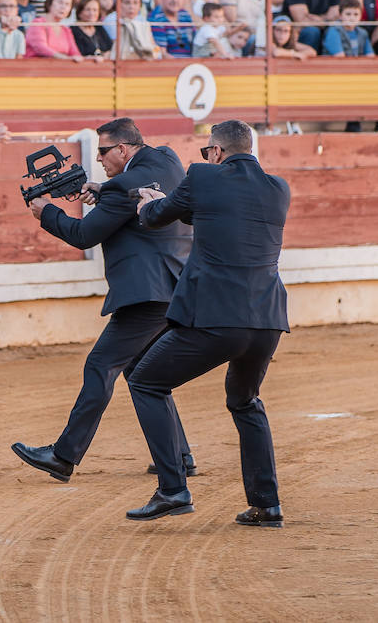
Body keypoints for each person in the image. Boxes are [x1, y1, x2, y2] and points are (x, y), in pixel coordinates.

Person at [13, 118, 196, 483]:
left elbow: (83, 235)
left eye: (103, 151)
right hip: (175, 287)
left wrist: (47, 212)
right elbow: (133, 191)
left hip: (145, 294)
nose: (99, 159)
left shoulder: (121, 186)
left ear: (124, 149)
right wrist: (106, 188)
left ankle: (63, 456)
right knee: (144, 371)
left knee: (100, 365)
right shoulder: (167, 158)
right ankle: (180, 456)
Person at [127, 119, 290, 527]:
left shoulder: (202, 176)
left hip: (216, 318)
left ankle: (172, 489)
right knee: (245, 400)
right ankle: (267, 504)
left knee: (146, 381)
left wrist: (147, 202)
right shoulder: (278, 189)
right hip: (267, 321)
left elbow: (157, 218)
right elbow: (227, 219)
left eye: (207, 152)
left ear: (215, 153)